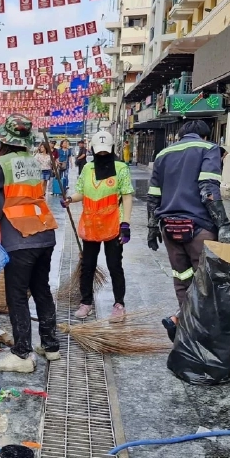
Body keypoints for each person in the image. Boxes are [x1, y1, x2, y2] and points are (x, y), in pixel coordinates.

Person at [0, 115, 60, 373]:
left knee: (16, 296)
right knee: (41, 290)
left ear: (3, 139)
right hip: (44, 230)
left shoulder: (3, 164)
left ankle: (22, 353)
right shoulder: (34, 161)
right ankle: (51, 346)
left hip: (20, 236)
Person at [147, 118, 230, 339]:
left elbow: (154, 195)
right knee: (207, 280)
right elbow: (208, 189)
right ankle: (199, 331)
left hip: (169, 227)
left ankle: (184, 324)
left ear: (180, 136)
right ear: (205, 135)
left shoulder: (162, 154)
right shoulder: (209, 148)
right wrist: (224, 225)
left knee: (182, 277)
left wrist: (151, 227)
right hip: (199, 227)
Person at [63, 130, 134, 322]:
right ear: (93, 149)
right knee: (87, 266)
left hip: (113, 225)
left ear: (111, 149)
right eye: (99, 151)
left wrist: (125, 224)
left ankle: (119, 304)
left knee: (114, 266)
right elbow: (81, 193)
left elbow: (127, 196)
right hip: (91, 224)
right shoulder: (87, 169)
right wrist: (70, 199)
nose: (102, 154)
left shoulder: (120, 168)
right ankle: (86, 302)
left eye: (105, 151)